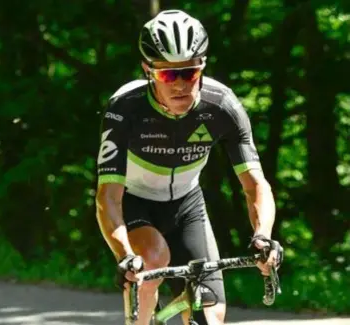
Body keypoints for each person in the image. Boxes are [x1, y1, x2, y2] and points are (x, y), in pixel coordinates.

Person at [95, 9, 283, 325]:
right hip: (135, 202)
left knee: (210, 315)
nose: (181, 84)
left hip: (187, 205)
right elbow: (107, 197)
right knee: (151, 259)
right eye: (169, 74)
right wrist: (125, 254)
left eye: (190, 73)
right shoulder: (125, 108)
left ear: (203, 68)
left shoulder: (222, 106)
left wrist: (263, 236)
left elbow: (255, 185)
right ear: (148, 70)